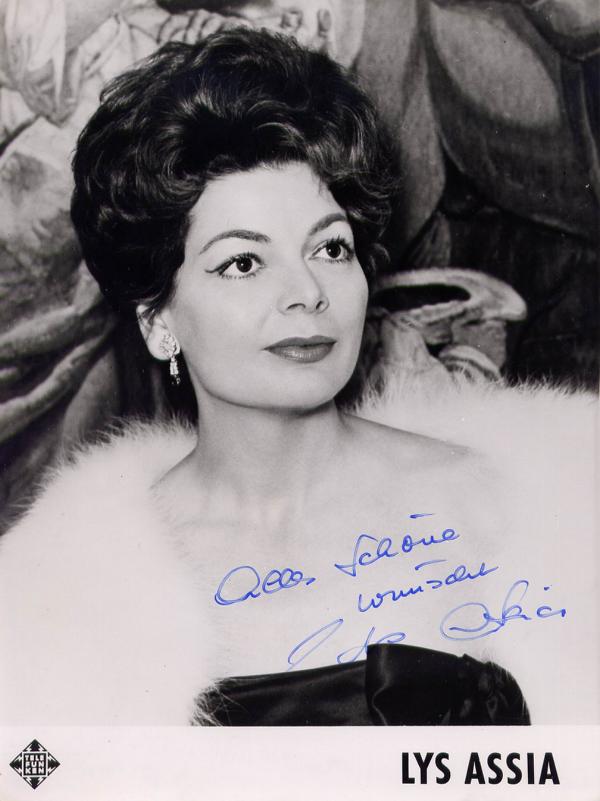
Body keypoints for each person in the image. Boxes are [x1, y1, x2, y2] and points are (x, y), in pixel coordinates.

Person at [0, 27, 596, 726]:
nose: (307, 292)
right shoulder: (65, 579)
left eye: (331, 248)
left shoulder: (546, 500)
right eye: (243, 263)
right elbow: (34, 772)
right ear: (159, 320)